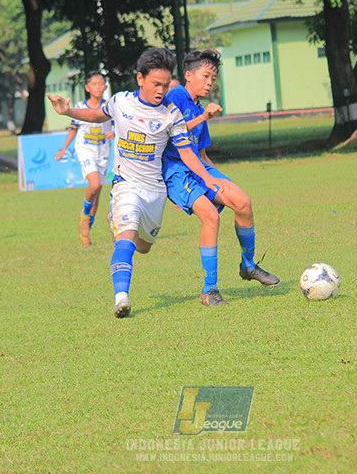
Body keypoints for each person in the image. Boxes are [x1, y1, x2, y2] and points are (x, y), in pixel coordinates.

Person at [47, 48, 227, 319]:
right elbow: (98, 114)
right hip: (126, 184)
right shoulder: (121, 102)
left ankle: (116, 223)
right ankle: (121, 298)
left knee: (144, 246)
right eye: (156, 84)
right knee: (126, 237)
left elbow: (188, 152)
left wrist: (208, 176)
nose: (161, 90)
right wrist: (67, 111)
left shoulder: (172, 114)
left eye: (166, 85)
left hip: (155, 190)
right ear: (140, 78)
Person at [162, 49, 279, 308]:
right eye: (206, 76)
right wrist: (204, 117)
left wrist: (218, 179)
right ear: (189, 76)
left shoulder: (198, 107)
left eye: (213, 78)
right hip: (175, 170)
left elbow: (201, 153)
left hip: (199, 167)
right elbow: (170, 133)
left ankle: (248, 266)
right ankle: (209, 289)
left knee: (243, 202)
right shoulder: (175, 96)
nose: (210, 83)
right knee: (211, 217)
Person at [54, 71, 114, 246]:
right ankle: (84, 217)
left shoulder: (109, 107)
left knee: (96, 195)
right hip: (85, 149)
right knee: (93, 184)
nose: (98, 87)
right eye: (94, 84)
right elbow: (73, 128)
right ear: (87, 87)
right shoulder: (80, 106)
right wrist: (64, 148)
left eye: (101, 83)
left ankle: (86, 233)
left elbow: (117, 125)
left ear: (105, 87)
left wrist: (113, 132)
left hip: (103, 152)